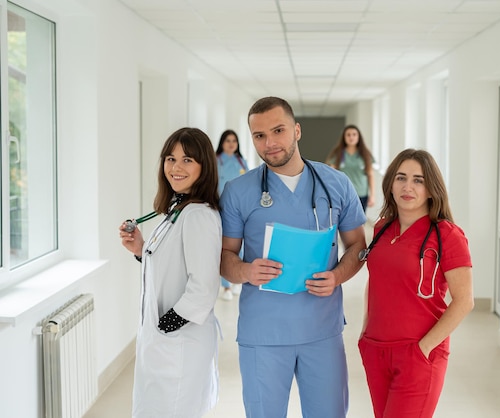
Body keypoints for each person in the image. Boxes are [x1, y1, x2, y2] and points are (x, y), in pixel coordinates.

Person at [219, 96, 367, 418]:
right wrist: (246, 271)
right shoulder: (238, 191)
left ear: (297, 130)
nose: (269, 143)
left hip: (321, 331)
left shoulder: (336, 184)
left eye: (278, 130)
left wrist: (337, 276)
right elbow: (225, 257)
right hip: (264, 333)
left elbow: (358, 247)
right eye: (259, 135)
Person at [358, 149, 474, 418]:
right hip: (375, 350)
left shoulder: (447, 235)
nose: (407, 186)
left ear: (432, 189)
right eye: (401, 177)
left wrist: (423, 349)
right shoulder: (382, 228)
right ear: (391, 184)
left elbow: (464, 300)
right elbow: (376, 280)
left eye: (418, 180)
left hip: (419, 353)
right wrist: (365, 334)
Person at [118, 127, 222, 418]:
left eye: (188, 159)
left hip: (179, 346)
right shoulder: (178, 212)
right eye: (170, 158)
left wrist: (165, 326)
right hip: (162, 345)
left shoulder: (198, 215)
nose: (176, 167)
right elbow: (173, 266)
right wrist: (141, 250)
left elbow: (203, 286)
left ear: (204, 166)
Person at [216, 129, 249, 301]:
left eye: (234, 141)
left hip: (239, 209)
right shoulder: (216, 162)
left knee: (240, 245)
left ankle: (237, 280)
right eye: (228, 140)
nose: (231, 144)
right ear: (222, 142)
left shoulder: (241, 162)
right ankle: (226, 286)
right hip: (220, 208)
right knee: (225, 246)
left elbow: (249, 186)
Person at [326, 124, 375, 213]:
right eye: (348, 135)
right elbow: (331, 175)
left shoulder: (365, 154)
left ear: (358, 137)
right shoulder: (338, 154)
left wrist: (372, 195)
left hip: (361, 194)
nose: (351, 137)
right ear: (344, 137)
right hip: (344, 194)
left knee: (359, 223)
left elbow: (370, 175)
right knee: (345, 224)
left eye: (354, 134)